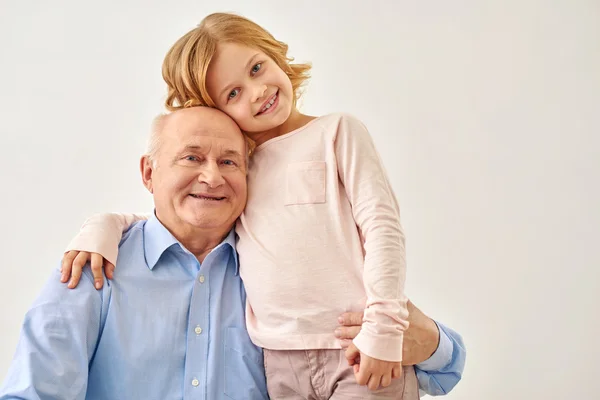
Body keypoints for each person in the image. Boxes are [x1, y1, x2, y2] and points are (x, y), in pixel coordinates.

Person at [59, 12, 461, 399]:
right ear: (217, 110)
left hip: (357, 347)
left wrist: (385, 329)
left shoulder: (337, 132)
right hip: (278, 362)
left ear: (274, 54)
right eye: (233, 93)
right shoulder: (238, 168)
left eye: (256, 68)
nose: (258, 91)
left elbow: (382, 228)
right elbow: (170, 221)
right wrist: (104, 225)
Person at [0, 108, 464, 400]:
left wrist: (431, 343)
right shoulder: (95, 267)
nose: (212, 177)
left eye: (229, 162)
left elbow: (447, 368)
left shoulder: (273, 265)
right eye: (191, 157)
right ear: (148, 171)